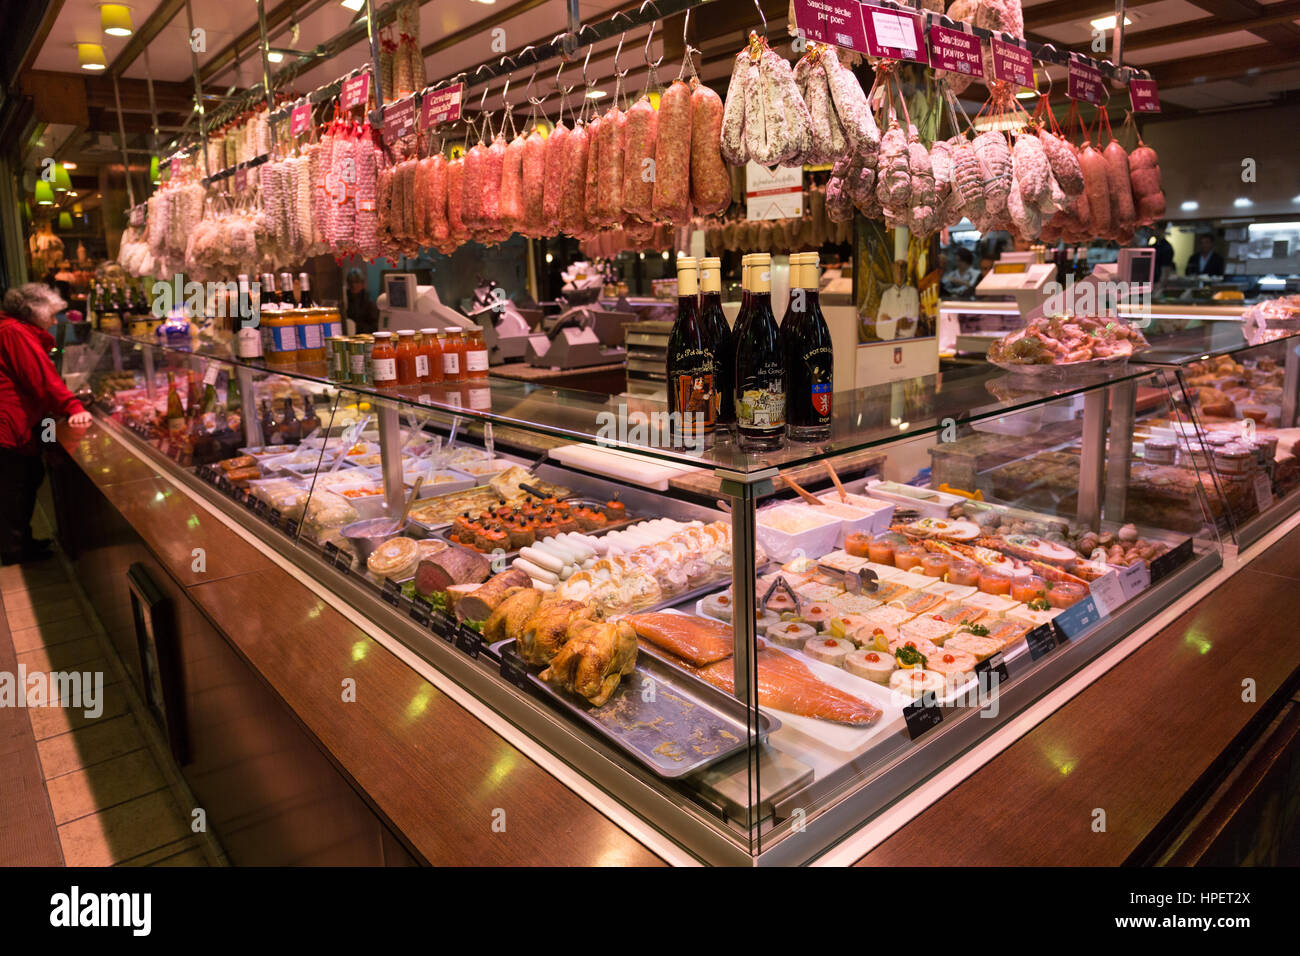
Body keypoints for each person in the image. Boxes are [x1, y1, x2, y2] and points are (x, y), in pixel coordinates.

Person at [0, 283, 91, 564]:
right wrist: (72, 406)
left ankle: (20, 544)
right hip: (10, 428)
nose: (54, 321)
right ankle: (14, 551)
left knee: (25, 481)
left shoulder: (12, 329)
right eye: (51, 314)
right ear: (34, 312)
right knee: (16, 487)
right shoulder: (14, 332)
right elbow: (41, 379)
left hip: (18, 424)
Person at [344, 268, 379, 335]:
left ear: (362, 284)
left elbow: (374, 326)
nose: (354, 285)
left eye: (357, 282)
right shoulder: (345, 300)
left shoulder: (369, 303)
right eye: (351, 282)